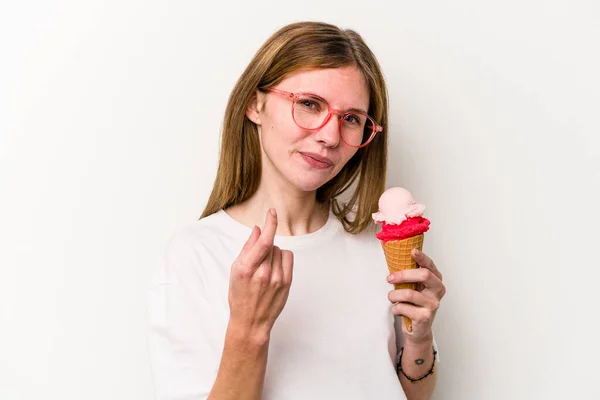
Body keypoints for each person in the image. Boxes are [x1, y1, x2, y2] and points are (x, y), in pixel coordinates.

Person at [146, 21, 446, 400]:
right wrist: (249, 329)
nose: (330, 136)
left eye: (351, 118)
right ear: (255, 104)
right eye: (309, 104)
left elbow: (411, 394)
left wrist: (420, 339)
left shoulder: (378, 251)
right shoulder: (194, 255)